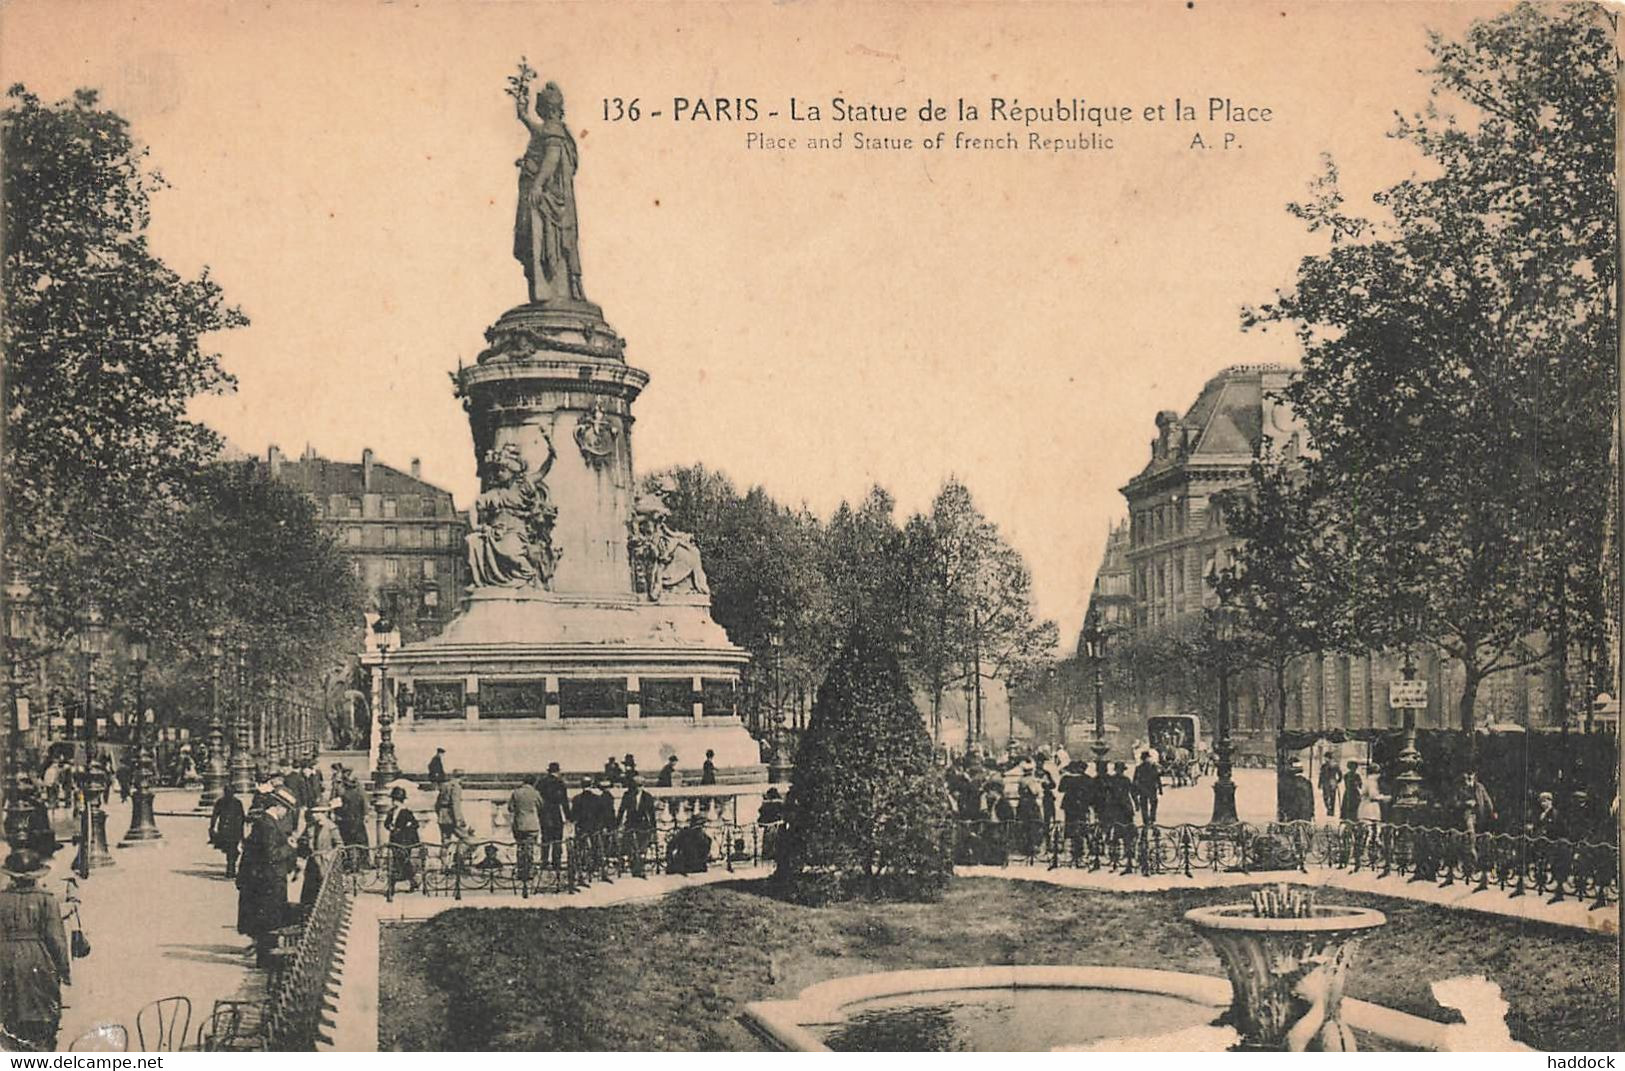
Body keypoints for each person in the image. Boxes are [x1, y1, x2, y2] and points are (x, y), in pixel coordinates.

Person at [0, 849, 71, 1051]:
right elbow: (56, 939)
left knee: (10, 1015)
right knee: (41, 1012)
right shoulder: (46, 900)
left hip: (4, 960)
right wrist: (64, 971)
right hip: (37, 960)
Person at [238, 795, 296, 967]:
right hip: (270, 880)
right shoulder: (268, 825)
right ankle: (267, 960)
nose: (285, 814)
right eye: (285, 810)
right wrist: (289, 847)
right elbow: (272, 855)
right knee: (271, 919)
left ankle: (266, 958)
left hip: (267, 879)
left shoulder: (265, 822)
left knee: (269, 919)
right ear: (278, 806)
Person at [618, 774, 658, 877]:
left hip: (643, 825)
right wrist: (617, 824)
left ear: (643, 786)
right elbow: (621, 811)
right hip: (631, 824)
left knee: (642, 848)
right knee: (632, 847)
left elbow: (652, 814)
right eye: (635, 785)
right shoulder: (627, 795)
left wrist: (654, 829)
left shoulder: (647, 797)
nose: (637, 788)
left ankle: (640, 868)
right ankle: (636, 868)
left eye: (640, 785)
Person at [385, 786, 421, 891]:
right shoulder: (391, 811)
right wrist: (390, 826)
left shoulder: (406, 812)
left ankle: (394, 885)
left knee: (402, 862)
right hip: (394, 840)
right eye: (393, 799)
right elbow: (386, 823)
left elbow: (415, 824)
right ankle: (412, 881)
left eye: (396, 800)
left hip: (404, 841)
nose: (394, 802)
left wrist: (404, 828)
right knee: (399, 861)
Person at [508, 776, 543, 880]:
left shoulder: (516, 792)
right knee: (530, 848)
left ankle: (521, 871)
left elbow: (510, 808)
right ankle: (529, 871)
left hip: (519, 824)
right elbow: (541, 806)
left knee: (520, 848)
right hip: (532, 824)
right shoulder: (535, 793)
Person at [539, 762, 571, 870]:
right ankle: (556, 862)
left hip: (544, 814)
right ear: (558, 771)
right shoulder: (560, 783)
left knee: (545, 839)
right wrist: (568, 817)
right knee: (557, 839)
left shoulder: (541, 782)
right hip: (556, 814)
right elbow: (564, 802)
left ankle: (544, 861)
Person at [210, 788, 247, 879]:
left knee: (230, 850)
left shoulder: (221, 801)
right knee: (233, 850)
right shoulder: (237, 802)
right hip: (234, 830)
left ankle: (230, 869)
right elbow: (242, 817)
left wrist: (212, 827)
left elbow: (215, 815)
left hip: (225, 829)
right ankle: (231, 869)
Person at [1132, 751, 1162, 826]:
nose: (1147, 759)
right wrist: (1160, 789)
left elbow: (1134, 780)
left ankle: (1147, 820)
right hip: (1149, 788)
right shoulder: (1152, 766)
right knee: (1151, 804)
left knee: (1146, 804)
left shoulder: (1139, 767)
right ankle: (1151, 819)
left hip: (1145, 789)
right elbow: (1157, 778)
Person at [757, 786, 784, 863]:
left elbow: (762, 811)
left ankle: (769, 854)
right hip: (775, 825)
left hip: (770, 825)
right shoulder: (778, 802)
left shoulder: (768, 803)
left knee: (770, 840)